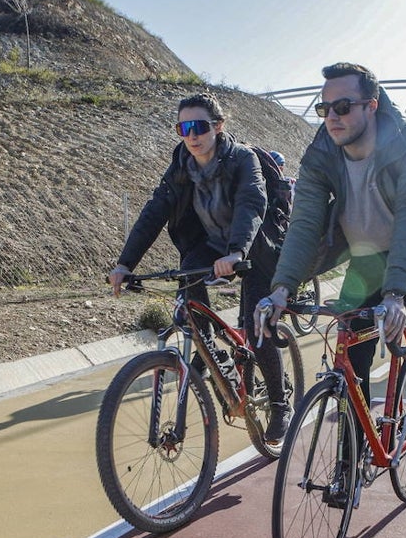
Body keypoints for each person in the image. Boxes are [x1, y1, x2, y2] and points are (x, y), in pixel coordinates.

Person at [256, 62, 406, 429]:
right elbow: (304, 224)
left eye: (343, 107)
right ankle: (354, 444)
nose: (332, 118)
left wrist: (397, 293)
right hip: (367, 259)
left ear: (371, 105)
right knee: (352, 346)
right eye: (324, 109)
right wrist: (281, 288)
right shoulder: (320, 154)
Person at [108, 92, 293, 443]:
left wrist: (237, 250)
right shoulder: (182, 164)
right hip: (210, 244)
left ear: (218, 127)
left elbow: (252, 202)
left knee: (256, 325)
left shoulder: (243, 159)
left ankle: (281, 403)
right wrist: (125, 263)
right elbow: (154, 211)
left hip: (255, 245)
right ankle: (211, 353)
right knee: (189, 296)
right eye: (183, 127)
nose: (191, 135)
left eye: (199, 126)